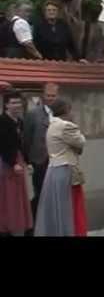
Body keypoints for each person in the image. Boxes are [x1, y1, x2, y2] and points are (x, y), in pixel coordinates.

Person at [34, 99, 87, 236]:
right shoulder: (66, 125)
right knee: (70, 206)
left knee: (57, 207)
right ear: (66, 111)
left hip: (53, 169)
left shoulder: (51, 125)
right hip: (66, 169)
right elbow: (81, 142)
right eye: (71, 110)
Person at [21, 83, 59, 235]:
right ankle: (32, 226)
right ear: (43, 95)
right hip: (39, 161)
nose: (50, 98)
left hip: (56, 160)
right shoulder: (33, 114)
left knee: (53, 196)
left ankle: (51, 225)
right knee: (40, 195)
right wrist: (28, 161)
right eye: (48, 95)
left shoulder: (60, 113)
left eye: (53, 96)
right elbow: (26, 139)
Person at [0, 91, 33, 236]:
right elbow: (3, 145)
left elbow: (22, 144)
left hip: (18, 161)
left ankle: (19, 225)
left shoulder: (19, 121)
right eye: (13, 103)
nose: (17, 105)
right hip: (6, 163)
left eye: (18, 102)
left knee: (19, 195)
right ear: (6, 105)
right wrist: (13, 163)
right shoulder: (2, 121)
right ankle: (5, 227)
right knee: (8, 196)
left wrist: (27, 161)